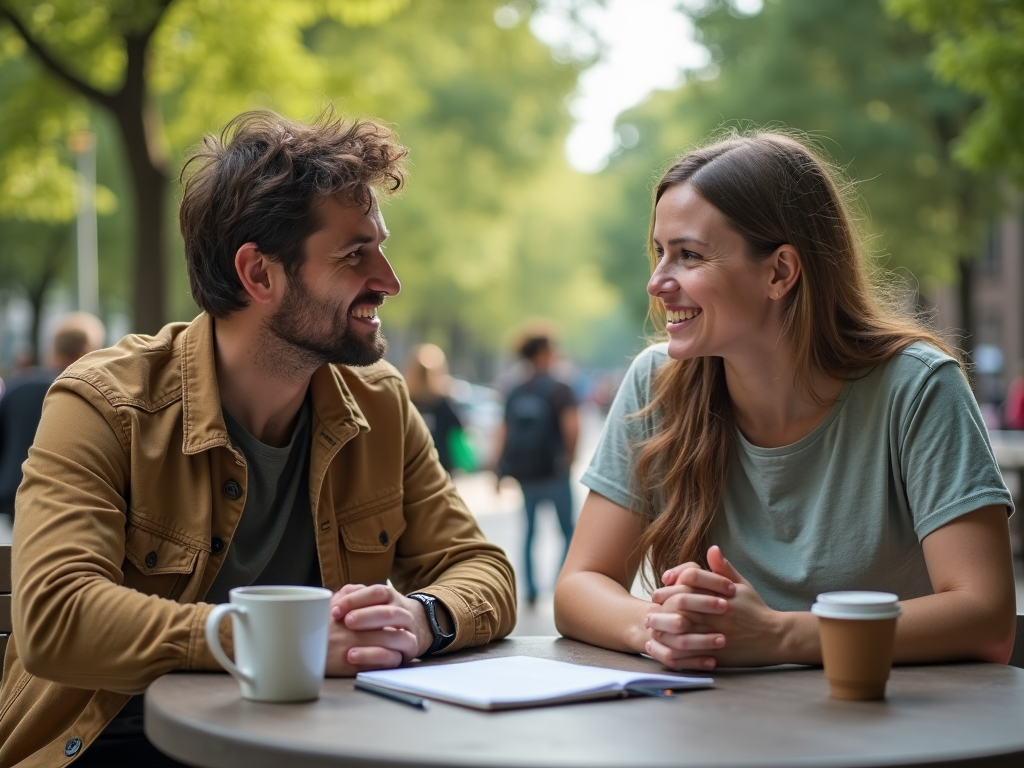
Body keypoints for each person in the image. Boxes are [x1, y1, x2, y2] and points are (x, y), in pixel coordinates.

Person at [0, 109, 515, 768]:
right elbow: (56, 615)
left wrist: (422, 617)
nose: (389, 281)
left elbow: (483, 569)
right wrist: (274, 639)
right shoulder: (103, 403)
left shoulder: (379, 404)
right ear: (260, 275)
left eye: (380, 247)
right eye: (356, 254)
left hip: (313, 745)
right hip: (113, 745)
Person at [554, 131, 1016, 671]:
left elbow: (986, 618)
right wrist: (661, 628)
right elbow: (579, 586)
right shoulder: (656, 382)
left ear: (779, 272)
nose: (657, 282)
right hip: (713, 733)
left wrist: (780, 635)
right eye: (660, 253)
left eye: (689, 256)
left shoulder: (917, 388)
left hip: (885, 729)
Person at [497, 330, 579, 607]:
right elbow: (572, 426)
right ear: (543, 352)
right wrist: (570, 458)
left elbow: (504, 431)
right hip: (554, 471)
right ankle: (561, 584)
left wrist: (497, 469)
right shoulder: (560, 388)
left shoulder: (515, 389)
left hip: (526, 473)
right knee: (567, 531)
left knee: (529, 532)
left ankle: (531, 588)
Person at [0, 311, 106, 523]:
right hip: (60, 506)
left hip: (9, 501)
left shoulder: (17, 385)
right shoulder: (80, 393)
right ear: (86, 350)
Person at [403, 343, 467, 473]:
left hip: (410, 465)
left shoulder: (405, 399)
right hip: (437, 466)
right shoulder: (441, 402)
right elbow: (459, 428)